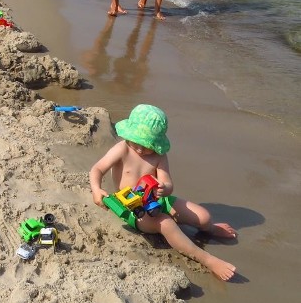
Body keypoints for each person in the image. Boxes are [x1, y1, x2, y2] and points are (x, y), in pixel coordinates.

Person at [89, 105, 237, 281]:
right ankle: (208, 260)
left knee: (203, 216)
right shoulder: (123, 149)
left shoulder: (159, 156)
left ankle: (210, 228)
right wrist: (96, 189)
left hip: (156, 199)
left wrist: (164, 188)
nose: (141, 149)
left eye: (147, 144)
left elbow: (167, 183)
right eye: (137, 141)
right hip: (133, 207)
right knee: (166, 224)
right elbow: (97, 169)